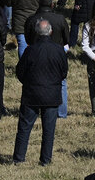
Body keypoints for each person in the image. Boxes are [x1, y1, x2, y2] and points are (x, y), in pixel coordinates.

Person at [13, 19, 67, 166]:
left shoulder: (30, 50)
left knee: (24, 128)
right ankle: (45, 159)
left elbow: (20, 71)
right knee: (49, 130)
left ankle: (19, 158)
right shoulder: (59, 50)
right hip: (51, 94)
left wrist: (29, 83)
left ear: (37, 32)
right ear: (50, 31)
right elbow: (64, 72)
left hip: (32, 93)